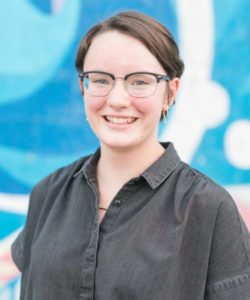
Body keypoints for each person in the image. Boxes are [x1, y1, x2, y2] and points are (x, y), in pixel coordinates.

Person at [12, 10, 250, 300]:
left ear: (170, 93)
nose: (117, 99)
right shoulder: (48, 194)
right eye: (100, 80)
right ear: (82, 88)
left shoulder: (208, 208)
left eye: (140, 81)